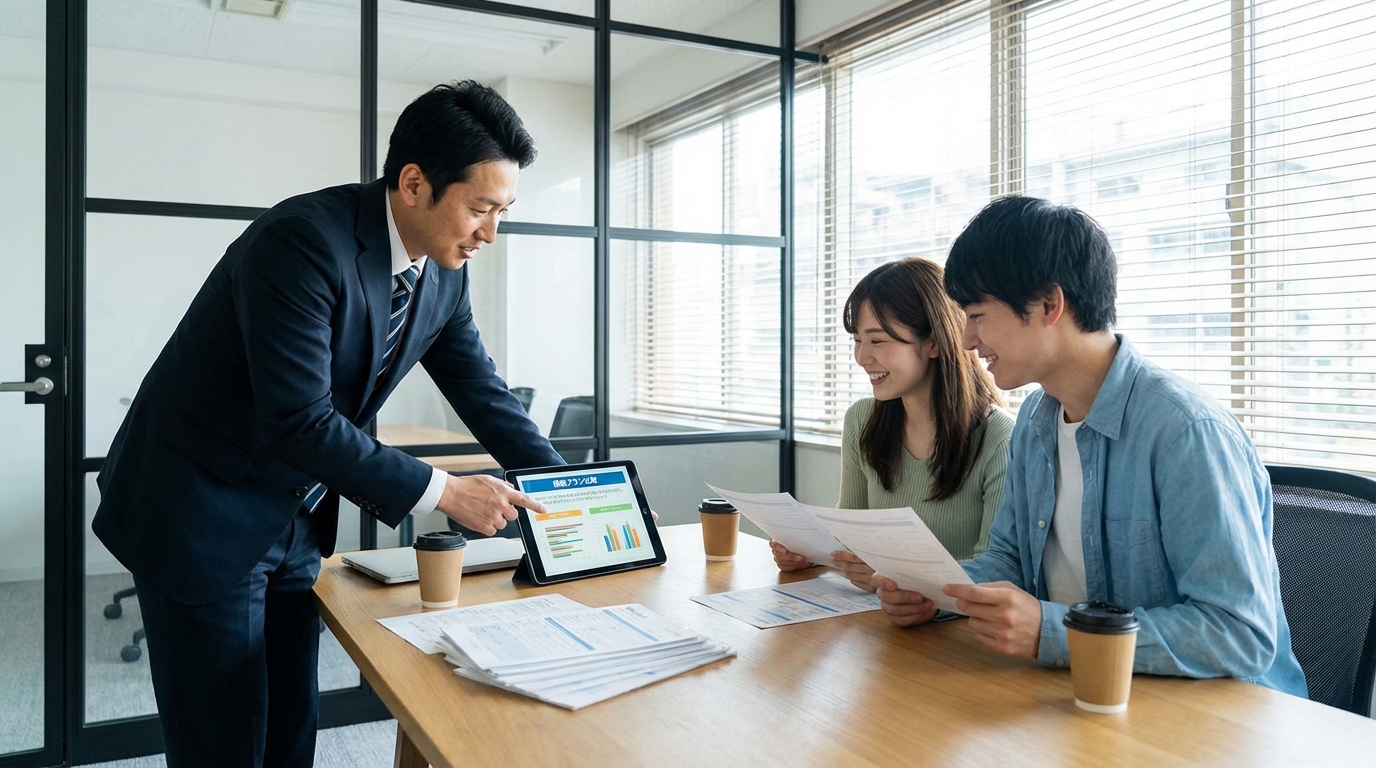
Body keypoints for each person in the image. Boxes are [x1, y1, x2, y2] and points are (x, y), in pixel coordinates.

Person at [92, 81, 564, 767]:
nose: (491, 231)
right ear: (413, 183)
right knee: (224, 739)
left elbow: (484, 392)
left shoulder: (443, 274)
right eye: (481, 208)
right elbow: (301, 421)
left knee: (289, 725)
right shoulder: (303, 242)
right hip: (202, 509)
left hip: (294, 516)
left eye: (503, 210)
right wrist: (447, 492)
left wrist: (574, 488)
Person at [869, 196, 1306, 696]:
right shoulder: (1036, 417)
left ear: (1050, 306)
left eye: (978, 315)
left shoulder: (1185, 431)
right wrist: (938, 595)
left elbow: (1238, 635)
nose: (967, 339)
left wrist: (1055, 632)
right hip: (1088, 693)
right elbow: (1011, 559)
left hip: (1218, 717)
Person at [773, 257, 1013, 587]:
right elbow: (851, 532)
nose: (862, 357)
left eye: (878, 340)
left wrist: (897, 576)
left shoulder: (1000, 438)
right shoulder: (861, 420)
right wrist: (809, 554)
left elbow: (995, 570)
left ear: (932, 342)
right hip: (878, 619)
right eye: (857, 340)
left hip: (956, 630)